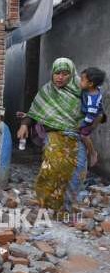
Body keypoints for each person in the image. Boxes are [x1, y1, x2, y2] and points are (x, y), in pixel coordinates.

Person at [17, 58, 88, 212]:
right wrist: (24, 125)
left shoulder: (82, 90)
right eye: (57, 73)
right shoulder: (46, 91)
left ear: (71, 74)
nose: (60, 77)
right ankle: (47, 203)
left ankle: (66, 206)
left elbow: (95, 110)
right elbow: (33, 112)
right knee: (52, 169)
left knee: (78, 171)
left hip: (77, 136)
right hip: (54, 136)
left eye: (64, 74)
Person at [79, 67, 106, 167]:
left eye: (82, 80)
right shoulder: (90, 89)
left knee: (84, 135)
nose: (79, 82)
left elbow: (90, 116)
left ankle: (93, 153)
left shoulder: (92, 100)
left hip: (93, 118)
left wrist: (82, 125)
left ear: (90, 84)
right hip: (93, 114)